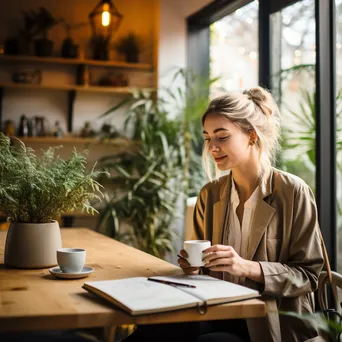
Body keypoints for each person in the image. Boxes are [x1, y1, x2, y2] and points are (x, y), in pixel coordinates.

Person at [124, 87, 325, 342]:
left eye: (222, 137)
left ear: (251, 136)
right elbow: (200, 272)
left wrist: (246, 267)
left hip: (269, 320)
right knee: (151, 330)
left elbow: (308, 275)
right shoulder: (210, 194)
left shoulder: (293, 192)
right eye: (208, 138)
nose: (212, 147)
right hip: (215, 310)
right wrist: (193, 268)